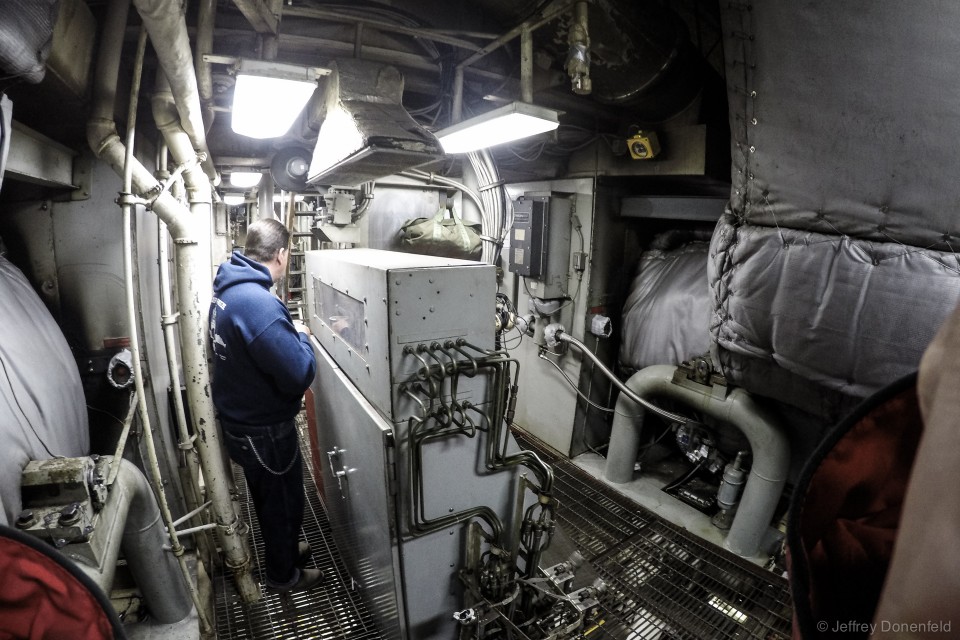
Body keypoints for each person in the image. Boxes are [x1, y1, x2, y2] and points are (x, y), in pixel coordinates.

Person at [208, 218, 321, 593]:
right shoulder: (258, 304)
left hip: (242, 422)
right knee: (282, 505)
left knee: (274, 498)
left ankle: (286, 549)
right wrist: (302, 336)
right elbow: (299, 373)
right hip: (265, 431)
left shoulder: (230, 288)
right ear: (282, 254)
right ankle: (282, 575)